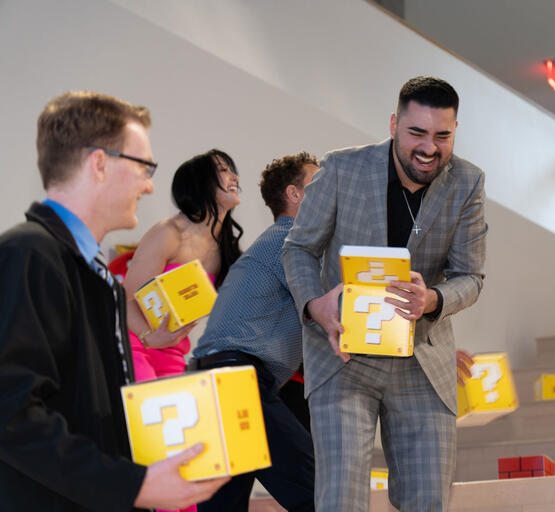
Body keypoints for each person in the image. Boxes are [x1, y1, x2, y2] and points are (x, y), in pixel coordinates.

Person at [0, 91, 228, 510]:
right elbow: (11, 414)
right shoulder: (30, 254)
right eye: (143, 166)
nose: (150, 184)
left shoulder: (92, 271)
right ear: (99, 163)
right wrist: (131, 485)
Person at [282, 76, 488, 511]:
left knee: (427, 500)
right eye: (416, 133)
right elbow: (299, 248)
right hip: (343, 361)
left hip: (423, 365)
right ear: (394, 124)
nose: (429, 148)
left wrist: (431, 299)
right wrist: (316, 306)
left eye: (442, 136)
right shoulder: (341, 168)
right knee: (341, 500)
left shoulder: (468, 182)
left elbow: (471, 276)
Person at [190, 152, 318, 512]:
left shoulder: (275, 242)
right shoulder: (295, 242)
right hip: (237, 380)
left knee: (223, 506)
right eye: (318, 184)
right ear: (294, 194)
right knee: (323, 494)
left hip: (211, 381)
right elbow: (342, 309)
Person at [123, 149, 243, 382]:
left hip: (173, 353)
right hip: (136, 346)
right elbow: (124, 298)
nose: (235, 177)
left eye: (232, 171)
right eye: (223, 170)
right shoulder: (168, 233)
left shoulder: (224, 249)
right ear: (200, 183)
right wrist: (149, 338)